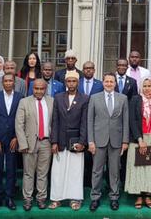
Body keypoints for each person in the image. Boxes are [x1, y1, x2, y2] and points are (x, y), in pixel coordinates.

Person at [87, 73, 129, 211]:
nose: (109, 84)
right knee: (97, 171)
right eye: (107, 81)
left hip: (116, 140)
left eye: (111, 81)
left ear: (115, 83)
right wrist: (91, 141)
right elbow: (90, 120)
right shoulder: (94, 98)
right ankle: (95, 197)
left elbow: (125, 121)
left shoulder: (123, 98)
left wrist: (125, 141)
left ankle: (114, 197)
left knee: (114, 170)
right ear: (103, 83)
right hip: (98, 140)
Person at [50, 70, 88, 210]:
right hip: (60, 140)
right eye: (69, 81)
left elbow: (85, 122)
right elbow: (55, 121)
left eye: (74, 81)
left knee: (75, 171)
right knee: (57, 171)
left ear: (78, 82)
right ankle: (56, 198)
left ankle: (75, 199)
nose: (71, 83)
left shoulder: (84, 98)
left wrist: (83, 142)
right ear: (65, 82)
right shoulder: (58, 97)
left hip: (76, 140)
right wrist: (54, 142)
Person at [16, 79, 54, 211]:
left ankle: (41, 198)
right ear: (32, 89)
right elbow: (19, 125)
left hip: (46, 142)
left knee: (43, 173)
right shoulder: (24, 102)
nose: (38, 91)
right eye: (36, 88)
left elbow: (54, 123)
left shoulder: (51, 101)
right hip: (29, 143)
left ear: (45, 89)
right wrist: (22, 143)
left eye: (41, 89)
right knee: (28, 173)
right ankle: (27, 199)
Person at [126, 78, 151, 209]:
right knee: (138, 168)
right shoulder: (135, 100)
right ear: (141, 87)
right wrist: (139, 139)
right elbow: (132, 120)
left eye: (149, 86)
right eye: (145, 86)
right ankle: (138, 196)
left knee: (150, 168)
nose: (147, 88)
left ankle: (148, 196)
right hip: (138, 139)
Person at [0, 74, 22, 211]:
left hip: (13, 138)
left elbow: (22, 119)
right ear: (2, 83)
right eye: (6, 81)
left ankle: (9, 197)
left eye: (10, 81)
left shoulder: (20, 97)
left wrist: (17, 137)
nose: (8, 83)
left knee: (11, 168)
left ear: (14, 82)